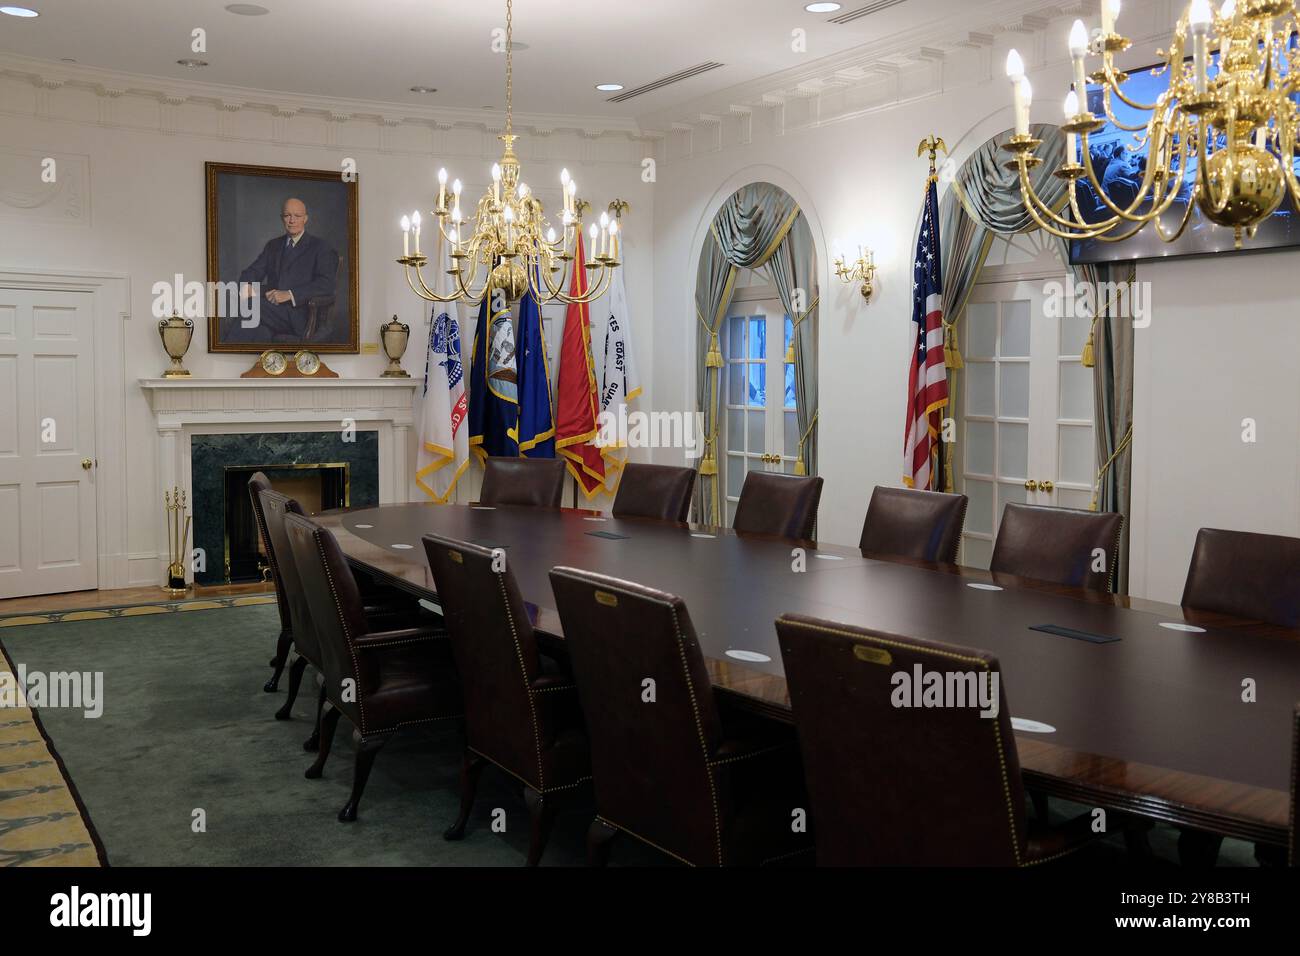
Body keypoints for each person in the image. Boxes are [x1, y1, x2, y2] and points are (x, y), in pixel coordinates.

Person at [236, 198, 339, 341]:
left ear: (305, 219)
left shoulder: (321, 247)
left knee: (247, 307)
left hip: (302, 315)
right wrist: (246, 285)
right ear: (282, 218)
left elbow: (327, 284)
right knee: (254, 329)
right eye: (287, 215)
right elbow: (252, 271)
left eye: (297, 216)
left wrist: (290, 294)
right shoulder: (273, 246)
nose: (292, 220)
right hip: (271, 310)